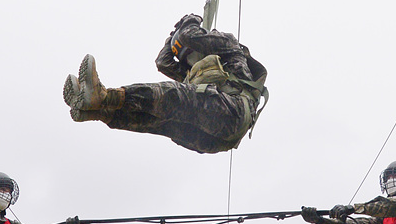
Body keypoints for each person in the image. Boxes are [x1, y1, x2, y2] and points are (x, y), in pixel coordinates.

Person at [61, 13, 267, 154]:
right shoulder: (195, 73)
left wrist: (190, 20)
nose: (191, 61)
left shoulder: (230, 48)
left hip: (235, 113)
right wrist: (170, 40)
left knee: (174, 96)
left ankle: (104, 96)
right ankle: (98, 110)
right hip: (214, 139)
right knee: (160, 119)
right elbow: (163, 62)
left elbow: (189, 35)